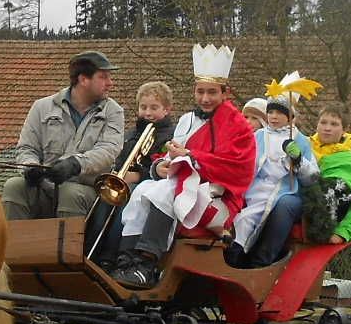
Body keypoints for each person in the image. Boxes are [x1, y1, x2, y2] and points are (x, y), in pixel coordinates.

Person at [110, 44, 257, 289]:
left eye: (212, 92)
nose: (205, 98)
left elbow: (237, 168)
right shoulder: (188, 119)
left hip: (217, 198)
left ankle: (147, 264)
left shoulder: (238, 127)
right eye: (200, 91)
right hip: (182, 183)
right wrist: (159, 166)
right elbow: (168, 153)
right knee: (143, 189)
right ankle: (127, 260)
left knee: (165, 193)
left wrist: (190, 156)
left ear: (225, 92)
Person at [2, 51, 124, 219]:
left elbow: (109, 151)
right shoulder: (41, 107)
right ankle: (16, 244)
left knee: (70, 193)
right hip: (44, 188)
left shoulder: (113, 112)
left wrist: (76, 164)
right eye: (103, 77)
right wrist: (30, 166)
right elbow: (27, 147)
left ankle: (66, 245)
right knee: (13, 186)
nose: (110, 83)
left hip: (86, 190)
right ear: (83, 80)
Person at [254, 104, 351, 259]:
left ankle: (263, 260)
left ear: (344, 130)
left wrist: (343, 232)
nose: (327, 128)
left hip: (315, 213)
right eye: (323, 123)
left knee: (285, 204)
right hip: (284, 192)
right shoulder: (302, 145)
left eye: (334, 124)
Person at [227, 80, 319, 268]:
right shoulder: (258, 136)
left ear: (290, 116)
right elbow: (242, 163)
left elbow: (312, 178)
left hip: (284, 190)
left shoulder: (301, 140)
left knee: (261, 214)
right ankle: (233, 257)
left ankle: (257, 261)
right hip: (255, 189)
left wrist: (299, 160)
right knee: (242, 218)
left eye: (279, 113)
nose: (274, 117)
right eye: (271, 112)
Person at [92, 81, 176, 268]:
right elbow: (121, 159)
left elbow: (165, 168)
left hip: (148, 184)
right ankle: (94, 251)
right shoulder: (131, 134)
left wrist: (139, 176)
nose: (147, 112)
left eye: (154, 107)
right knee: (103, 200)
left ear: (167, 109)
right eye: (143, 107)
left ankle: (112, 254)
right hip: (124, 180)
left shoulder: (171, 135)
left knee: (125, 203)